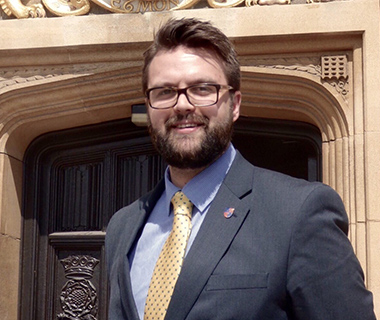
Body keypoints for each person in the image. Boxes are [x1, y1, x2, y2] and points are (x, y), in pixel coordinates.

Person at [105, 18, 376, 320]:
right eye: (165, 92)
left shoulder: (298, 213)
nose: (181, 105)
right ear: (148, 105)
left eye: (202, 88)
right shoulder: (124, 226)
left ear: (234, 104)